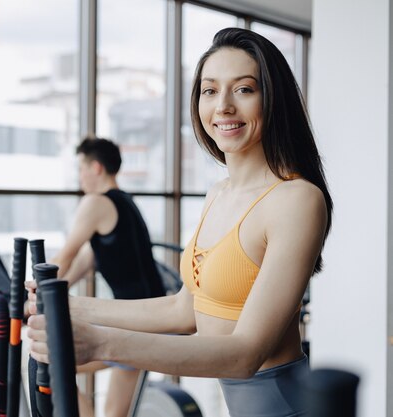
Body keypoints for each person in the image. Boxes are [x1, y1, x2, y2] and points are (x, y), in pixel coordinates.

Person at [28, 27, 333, 417]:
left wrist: (101, 343)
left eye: (243, 89)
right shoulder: (218, 193)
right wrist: (69, 307)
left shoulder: (296, 200)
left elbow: (245, 354)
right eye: (210, 90)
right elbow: (183, 312)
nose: (222, 106)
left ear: (272, 100)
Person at [50, 137, 166, 417]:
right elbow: (85, 260)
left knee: (59, 368)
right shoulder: (124, 201)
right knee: (61, 366)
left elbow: (65, 256)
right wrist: (55, 288)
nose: (80, 177)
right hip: (145, 315)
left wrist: (34, 288)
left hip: (136, 322)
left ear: (97, 168)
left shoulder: (96, 204)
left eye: (81, 169)